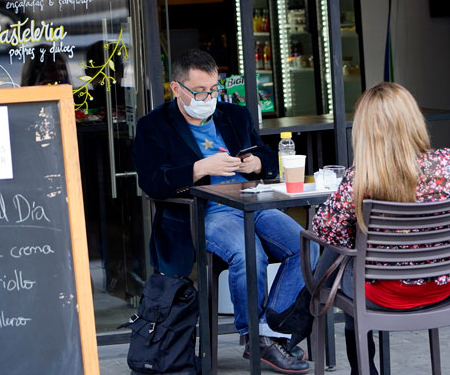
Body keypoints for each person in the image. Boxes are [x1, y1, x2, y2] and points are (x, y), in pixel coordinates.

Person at [267, 82, 450, 375]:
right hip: (444, 285)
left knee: (347, 260)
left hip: (386, 294)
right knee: (353, 259)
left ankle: (315, 327)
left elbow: (323, 232)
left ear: (366, 130)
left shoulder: (363, 177)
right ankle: (304, 318)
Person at [132, 49, 314, 374]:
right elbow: (153, 182)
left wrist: (257, 163)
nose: (209, 97)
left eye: (214, 90)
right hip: (206, 212)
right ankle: (255, 342)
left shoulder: (235, 115)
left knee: (306, 245)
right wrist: (200, 168)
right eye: (200, 92)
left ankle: (272, 329)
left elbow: (267, 159)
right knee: (249, 253)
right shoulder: (153, 126)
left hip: (253, 203)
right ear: (176, 89)